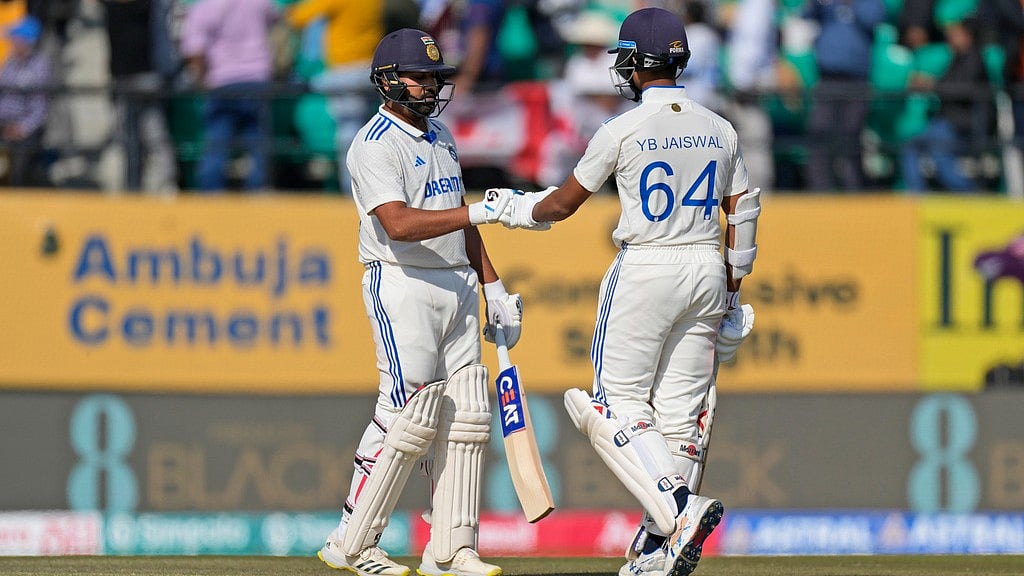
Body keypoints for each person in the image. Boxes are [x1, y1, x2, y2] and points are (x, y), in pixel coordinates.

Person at [490, 8, 759, 576]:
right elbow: (743, 213)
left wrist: (506, 207)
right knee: (679, 421)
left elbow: (560, 205)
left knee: (611, 405)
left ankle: (678, 513)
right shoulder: (720, 125)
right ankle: (660, 548)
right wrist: (733, 294)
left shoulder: (623, 128)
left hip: (648, 265)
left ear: (638, 62)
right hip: (708, 267)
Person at [316, 28, 522, 576]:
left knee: (467, 414)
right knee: (403, 415)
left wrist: (493, 285)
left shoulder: (441, 137)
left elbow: (458, 219)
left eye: (436, 77)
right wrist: (480, 212)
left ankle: (451, 548)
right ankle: (353, 540)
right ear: (387, 80)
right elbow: (400, 225)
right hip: (403, 282)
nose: (430, 86)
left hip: (455, 283)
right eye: (420, 76)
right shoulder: (374, 144)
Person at [286, 0, 383, 194]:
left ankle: (353, 191)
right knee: (365, 129)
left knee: (348, 131)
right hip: (370, 70)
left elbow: (297, 17)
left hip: (344, 72)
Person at [180, 0, 277, 192]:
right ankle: (259, 191)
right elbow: (276, 20)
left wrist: (202, 81)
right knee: (257, 140)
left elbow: (195, 49)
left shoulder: (205, 7)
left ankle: (211, 193)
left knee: (218, 140)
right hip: (257, 78)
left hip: (222, 80)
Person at [900, 16, 993, 192]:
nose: (950, 37)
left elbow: (963, 90)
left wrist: (931, 85)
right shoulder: (956, 59)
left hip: (965, 125)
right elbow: (946, 85)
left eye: (956, 33)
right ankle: (916, 197)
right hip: (947, 123)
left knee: (938, 147)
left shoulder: (974, 59)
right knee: (911, 146)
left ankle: (971, 194)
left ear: (968, 36)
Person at [803, 0, 887, 192]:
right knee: (819, 133)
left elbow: (873, 19)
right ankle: (819, 191)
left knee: (850, 136)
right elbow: (806, 17)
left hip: (856, 81)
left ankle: (854, 191)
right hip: (827, 78)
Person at [100, 0, 179, 194]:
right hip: (124, 79)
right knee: (131, 140)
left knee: (153, 135)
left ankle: (164, 185)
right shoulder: (114, 6)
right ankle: (133, 185)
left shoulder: (149, 6)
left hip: (145, 77)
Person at [0, 14, 51, 187]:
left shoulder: (39, 66)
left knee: (19, 168)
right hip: (3, 125)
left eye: (16, 38)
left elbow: (40, 107)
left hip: (26, 130)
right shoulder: (10, 63)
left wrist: (22, 128)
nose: (12, 42)